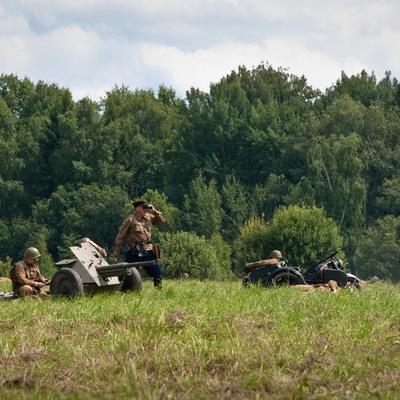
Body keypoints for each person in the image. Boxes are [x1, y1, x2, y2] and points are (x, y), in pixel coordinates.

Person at [113, 200, 166, 288]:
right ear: (137, 208)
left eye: (146, 207)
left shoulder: (149, 217)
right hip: (135, 251)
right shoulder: (130, 219)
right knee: (128, 273)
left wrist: (154, 211)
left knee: (157, 271)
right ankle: (123, 290)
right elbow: (121, 234)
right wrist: (117, 248)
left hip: (148, 250)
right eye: (143, 207)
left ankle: (158, 290)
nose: (145, 209)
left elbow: (161, 221)